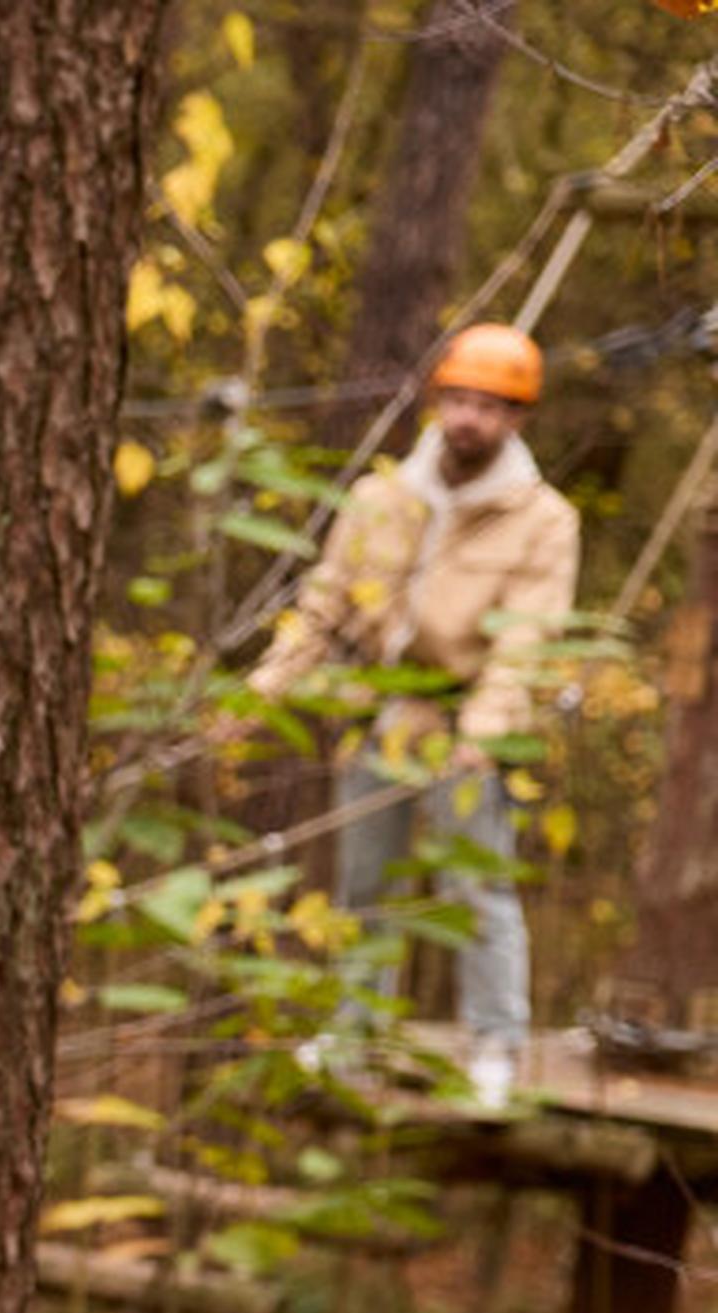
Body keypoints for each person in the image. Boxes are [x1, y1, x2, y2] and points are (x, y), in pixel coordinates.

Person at [241, 320, 582, 1108]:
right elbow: (322, 609)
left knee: (475, 889)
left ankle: (495, 1044)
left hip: (467, 727)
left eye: (489, 406)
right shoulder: (380, 499)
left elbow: (527, 638)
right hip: (376, 717)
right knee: (365, 883)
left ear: (517, 418)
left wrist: (485, 737)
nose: (469, 418)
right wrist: (260, 692)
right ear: (436, 403)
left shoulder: (542, 519)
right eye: (458, 400)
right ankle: (355, 1029)